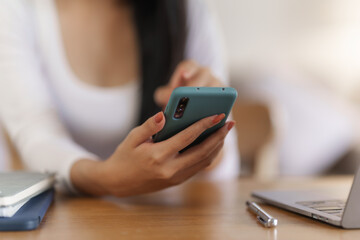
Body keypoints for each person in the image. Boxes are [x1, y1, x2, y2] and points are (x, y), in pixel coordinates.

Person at [0, 0, 239, 196]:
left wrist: (205, 132)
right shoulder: (19, 9)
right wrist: (107, 178)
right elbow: (37, 139)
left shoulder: (187, 8)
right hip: (65, 218)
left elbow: (224, 171)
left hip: (168, 219)